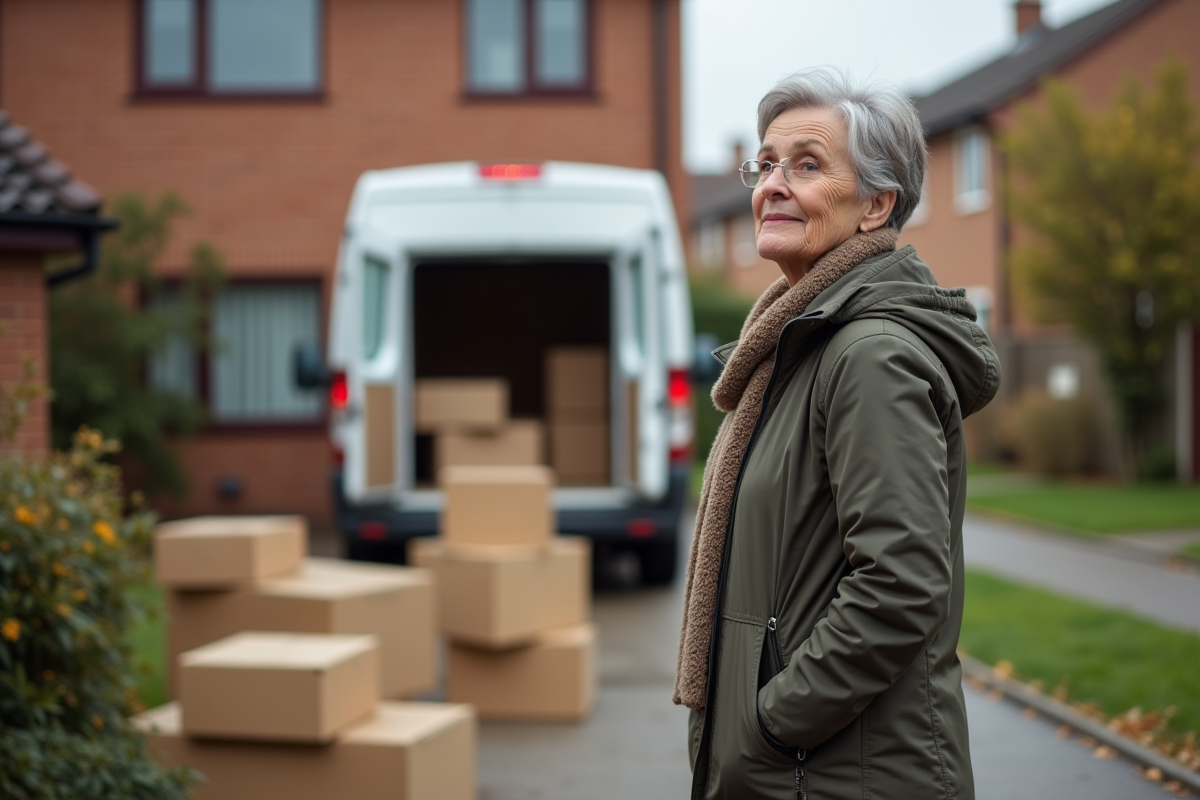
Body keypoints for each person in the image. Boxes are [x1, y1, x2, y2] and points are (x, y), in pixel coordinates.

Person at [675, 67, 999, 800]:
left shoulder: (868, 356)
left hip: (840, 775)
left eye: (806, 165)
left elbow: (900, 584)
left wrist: (772, 723)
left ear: (876, 205)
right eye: (765, 164)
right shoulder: (797, 346)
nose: (772, 185)